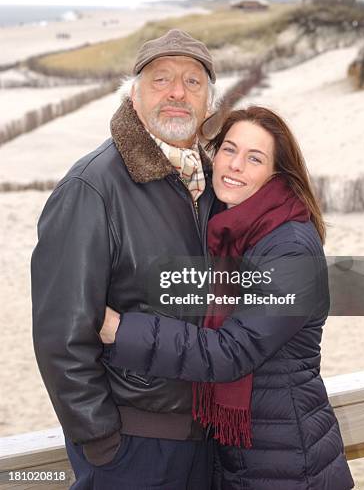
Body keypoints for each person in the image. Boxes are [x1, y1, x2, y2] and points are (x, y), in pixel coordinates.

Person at [100, 106, 355, 490]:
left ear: (276, 174)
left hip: (288, 463)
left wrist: (119, 330)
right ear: (214, 155)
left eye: (254, 158)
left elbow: (231, 352)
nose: (235, 165)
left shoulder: (291, 248)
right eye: (229, 150)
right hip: (241, 455)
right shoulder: (225, 230)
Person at [31, 29, 224, 490]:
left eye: (193, 82)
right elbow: (61, 332)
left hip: (210, 442)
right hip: (135, 447)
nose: (178, 92)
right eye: (161, 79)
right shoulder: (92, 187)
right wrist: (100, 441)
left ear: (208, 105)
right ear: (133, 96)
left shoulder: (216, 183)